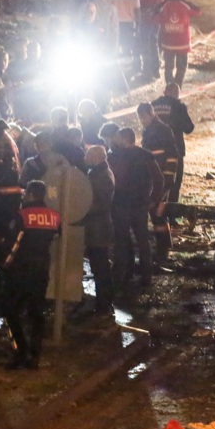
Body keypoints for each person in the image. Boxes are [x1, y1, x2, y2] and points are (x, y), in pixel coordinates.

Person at [1, 180, 60, 369]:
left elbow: (14, 245)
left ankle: (20, 351)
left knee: (10, 310)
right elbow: (57, 237)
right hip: (41, 270)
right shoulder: (54, 217)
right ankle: (34, 356)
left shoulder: (22, 216)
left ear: (32, 195)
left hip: (20, 271)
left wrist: (4, 265)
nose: (23, 196)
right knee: (36, 313)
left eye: (26, 193)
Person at [109, 127, 164, 288]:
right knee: (143, 241)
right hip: (140, 205)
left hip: (121, 205)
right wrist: (153, 199)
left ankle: (121, 277)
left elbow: (113, 180)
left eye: (118, 138)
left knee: (121, 242)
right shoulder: (146, 156)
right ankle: (146, 277)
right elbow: (159, 179)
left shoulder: (116, 156)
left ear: (124, 139)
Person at [138, 102, 178, 259]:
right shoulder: (148, 130)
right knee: (156, 212)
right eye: (140, 118)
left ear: (151, 113)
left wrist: (168, 177)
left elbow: (172, 155)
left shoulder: (163, 130)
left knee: (157, 211)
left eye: (143, 117)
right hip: (154, 179)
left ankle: (163, 248)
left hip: (161, 179)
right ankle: (164, 245)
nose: (142, 121)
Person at [81, 145, 115, 316]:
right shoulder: (98, 173)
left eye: (88, 156)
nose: (85, 158)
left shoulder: (102, 176)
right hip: (97, 228)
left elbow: (102, 203)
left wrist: (82, 209)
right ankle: (103, 302)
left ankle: (103, 304)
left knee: (101, 268)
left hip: (99, 229)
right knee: (99, 267)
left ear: (96, 158)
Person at [151, 82, 194, 206]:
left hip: (156, 151)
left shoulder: (153, 105)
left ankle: (156, 209)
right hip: (175, 150)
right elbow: (189, 128)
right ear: (175, 93)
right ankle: (170, 210)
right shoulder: (178, 106)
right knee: (174, 182)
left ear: (165, 91)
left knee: (158, 181)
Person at [156, 0, 201, 88]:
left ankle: (170, 88)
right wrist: (185, 1)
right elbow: (198, 11)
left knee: (168, 68)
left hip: (168, 44)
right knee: (181, 68)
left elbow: (153, 16)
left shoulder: (164, 5)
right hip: (182, 44)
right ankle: (177, 88)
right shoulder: (184, 5)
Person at [136, 0, 170, 80]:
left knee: (146, 44)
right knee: (154, 43)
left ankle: (147, 72)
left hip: (147, 18)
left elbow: (144, 1)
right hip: (156, 18)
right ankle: (155, 70)